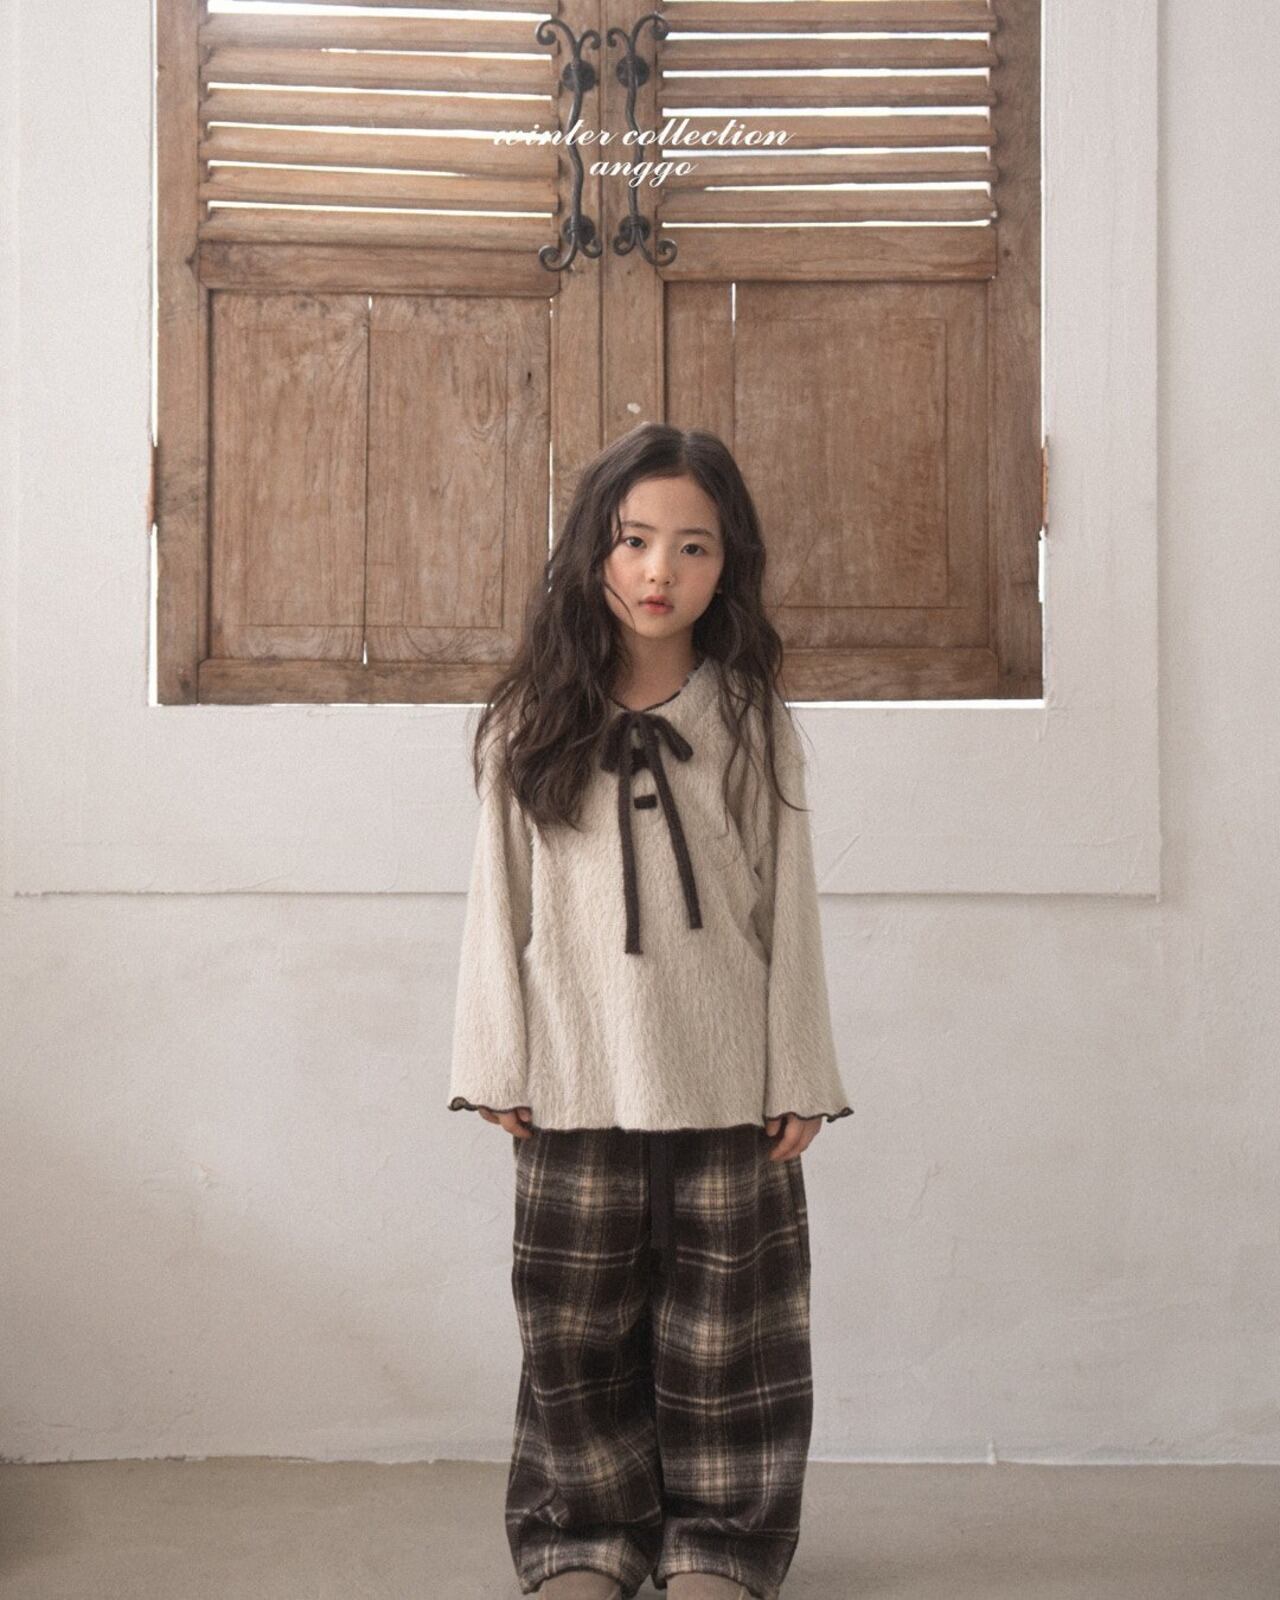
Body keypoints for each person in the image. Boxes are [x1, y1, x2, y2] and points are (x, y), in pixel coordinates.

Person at [447, 422, 854, 1600]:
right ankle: (583, 1534)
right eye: (632, 541)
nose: (657, 571)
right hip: (574, 1080)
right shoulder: (528, 720)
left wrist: (798, 1069)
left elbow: (786, 905)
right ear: (592, 550)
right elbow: (497, 902)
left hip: (726, 1084)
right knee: (572, 1330)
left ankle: (721, 1543)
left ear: (727, 566)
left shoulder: (748, 719)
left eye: (691, 547)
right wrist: (493, 1057)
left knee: (731, 1334)